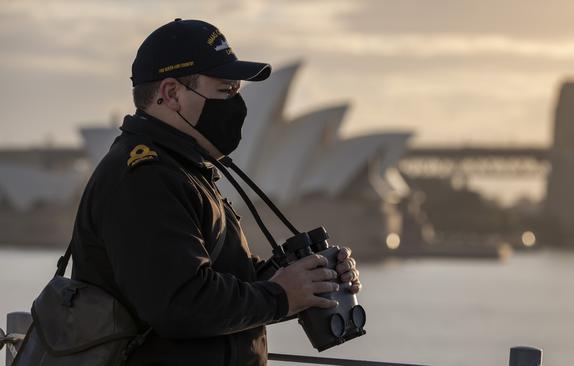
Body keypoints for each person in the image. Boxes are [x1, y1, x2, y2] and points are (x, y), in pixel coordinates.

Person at [70, 18, 362, 366]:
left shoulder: (184, 169)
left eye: (237, 89)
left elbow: (220, 283)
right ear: (171, 94)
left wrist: (305, 281)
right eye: (226, 89)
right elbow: (179, 303)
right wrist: (280, 295)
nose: (236, 103)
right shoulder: (144, 178)